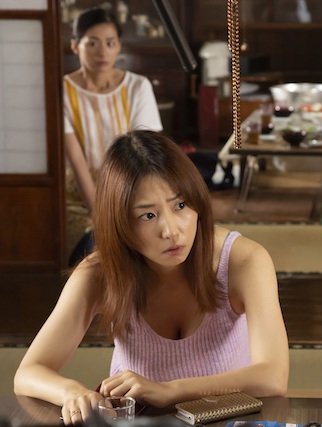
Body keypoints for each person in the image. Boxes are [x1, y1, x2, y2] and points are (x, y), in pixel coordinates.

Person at [14, 130, 289, 425]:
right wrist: (72, 392)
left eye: (180, 205)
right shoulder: (99, 273)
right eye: (148, 215)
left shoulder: (244, 261)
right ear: (120, 224)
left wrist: (170, 391)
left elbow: (272, 377)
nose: (171, 231)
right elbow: (29, 372)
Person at [63, 7, 163, 265]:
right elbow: (76, 159)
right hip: (79, 194)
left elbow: (148, 153)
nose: (102, 52)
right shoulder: (62, 90)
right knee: (90, 253)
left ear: (119, 46)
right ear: (75, 46)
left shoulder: (138, 86)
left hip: (132, 186)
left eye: (110, 43)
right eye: (92, 43)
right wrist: (101, 214)